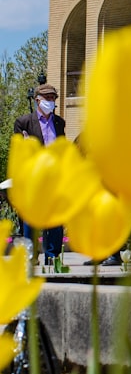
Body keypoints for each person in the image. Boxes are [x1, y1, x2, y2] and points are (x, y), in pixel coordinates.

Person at [13, 83, 66, 265]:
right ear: (38, 100)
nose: (51, 101)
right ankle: (31, 256)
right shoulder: (24, 122)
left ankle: (53, 256)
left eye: (53, 98)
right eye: (48, 98)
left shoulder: (59, 123)